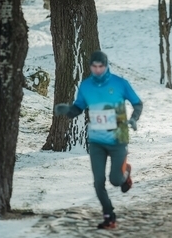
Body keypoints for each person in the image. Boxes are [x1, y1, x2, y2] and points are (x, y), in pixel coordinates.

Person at [54, 50, 143, 229]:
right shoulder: (86, 86)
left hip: (118, 139)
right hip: (96, 141)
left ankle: (126, 173)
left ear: (106, 65)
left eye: (100, 66)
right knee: (98, 182)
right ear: (90, 67)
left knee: (115, 180)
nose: (97, 70)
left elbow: (137, 103)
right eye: (94, 66)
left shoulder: (120, 83)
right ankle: (109, 216)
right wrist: (67, 110)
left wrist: (133, 119)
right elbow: (79, 107)